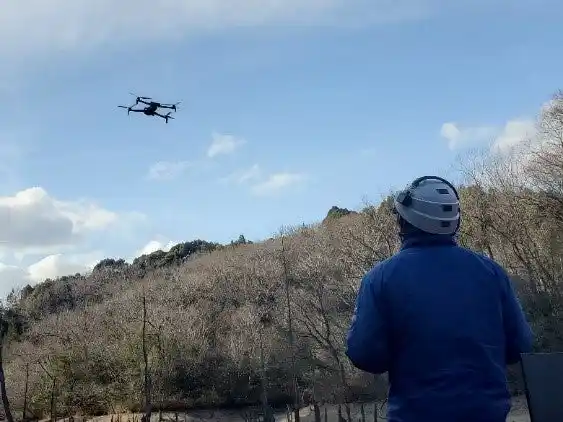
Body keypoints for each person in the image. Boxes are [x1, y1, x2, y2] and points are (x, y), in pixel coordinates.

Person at [345, 176, 533, 422]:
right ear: (455, 222)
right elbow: (520, 345)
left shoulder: (379, 278)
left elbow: (364, 354)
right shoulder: (492, 272)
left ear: (404, 221)